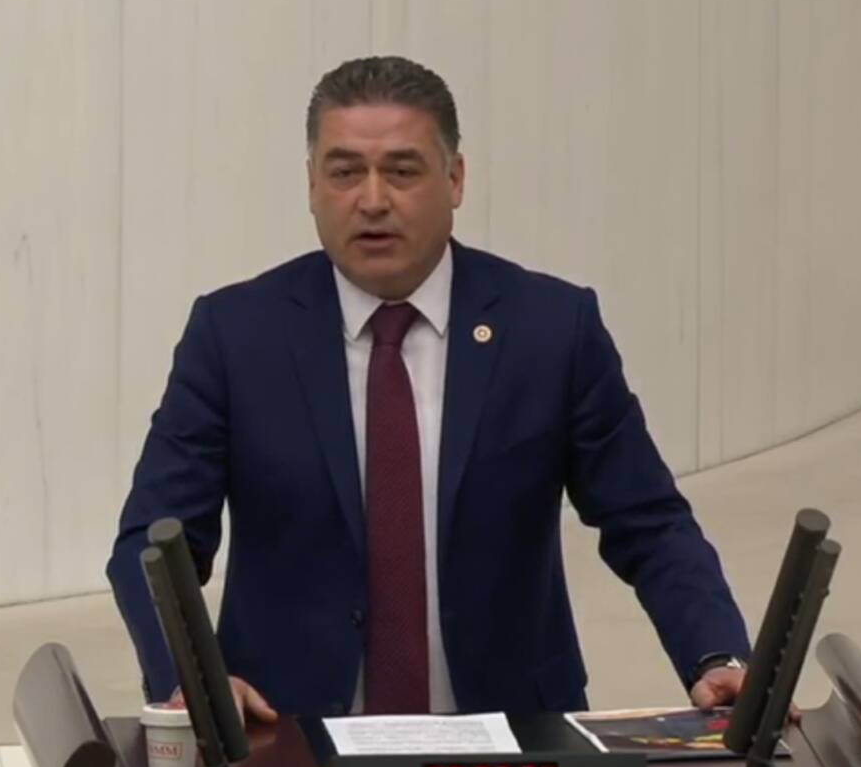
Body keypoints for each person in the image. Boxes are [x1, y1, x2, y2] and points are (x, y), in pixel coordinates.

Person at [107, 55, 751, 725]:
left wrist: (717, 656)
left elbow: (648, 523)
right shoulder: (236, 336)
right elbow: (152, 543)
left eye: (402, 171)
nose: (373, 200)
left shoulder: (551, 330)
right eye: (345, 172)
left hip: (514, 743)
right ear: (311, 184)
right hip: (288, 741)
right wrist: (192, 679)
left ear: (456, 178)